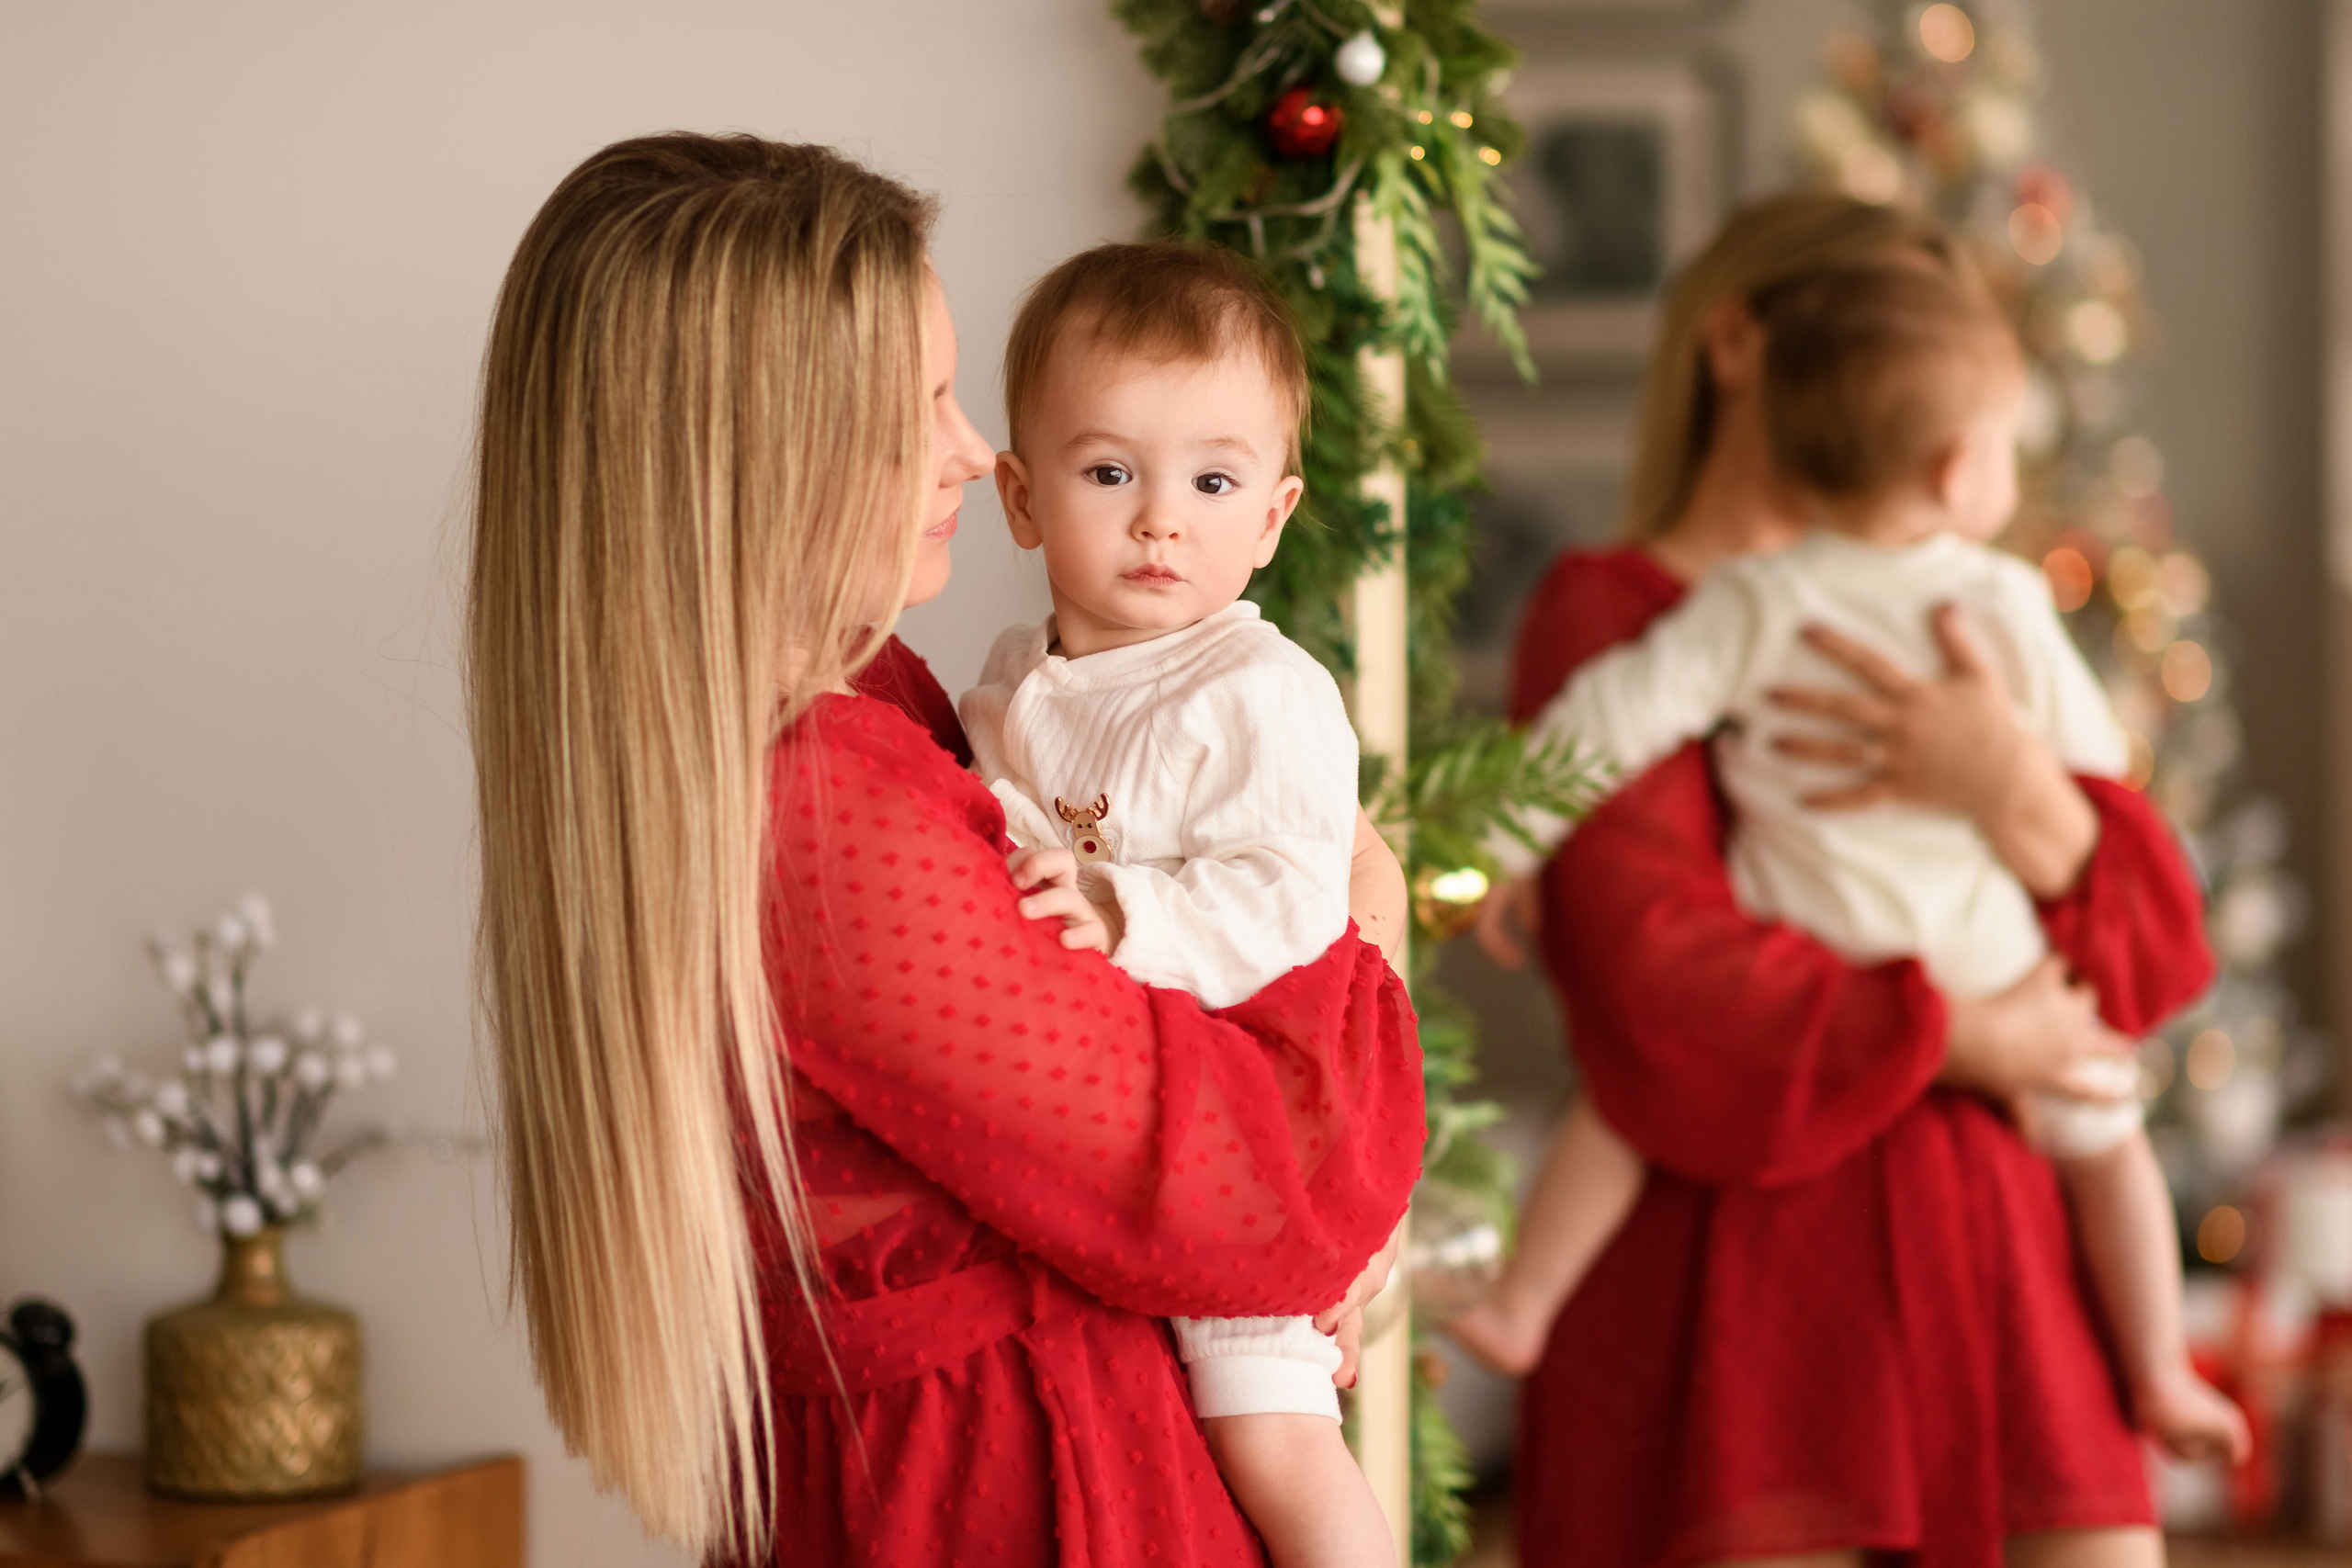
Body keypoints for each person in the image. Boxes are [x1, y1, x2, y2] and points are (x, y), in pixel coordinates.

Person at [466, 134, 1420, 1568]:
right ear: (755, 448)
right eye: (917, 404)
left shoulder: (884, 701)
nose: (978, 451)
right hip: (1018, 1502)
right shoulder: (815, 812)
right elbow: (1238, 1197)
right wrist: (1370, 918)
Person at [1471, 194, 2218, 1568]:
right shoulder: (1624, 613)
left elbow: (2155, 959)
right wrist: (1969, 1031)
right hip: (1738, 1279)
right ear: (1744, 342)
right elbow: (1663, 984)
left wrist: (2012, 790)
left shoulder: (1980, 610)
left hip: (1997, 1267)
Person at [960, 242, 1393, 1568]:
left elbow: (1295, 901)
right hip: (1113, 1133)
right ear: (1024, 500)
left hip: (1249, 1118)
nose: (1162, 521)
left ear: (1272, 516)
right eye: (1111, 474)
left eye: (1213, 482)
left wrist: (1116, 905)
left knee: (1275, 1438)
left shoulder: (1257, 694)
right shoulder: (1011, 680)